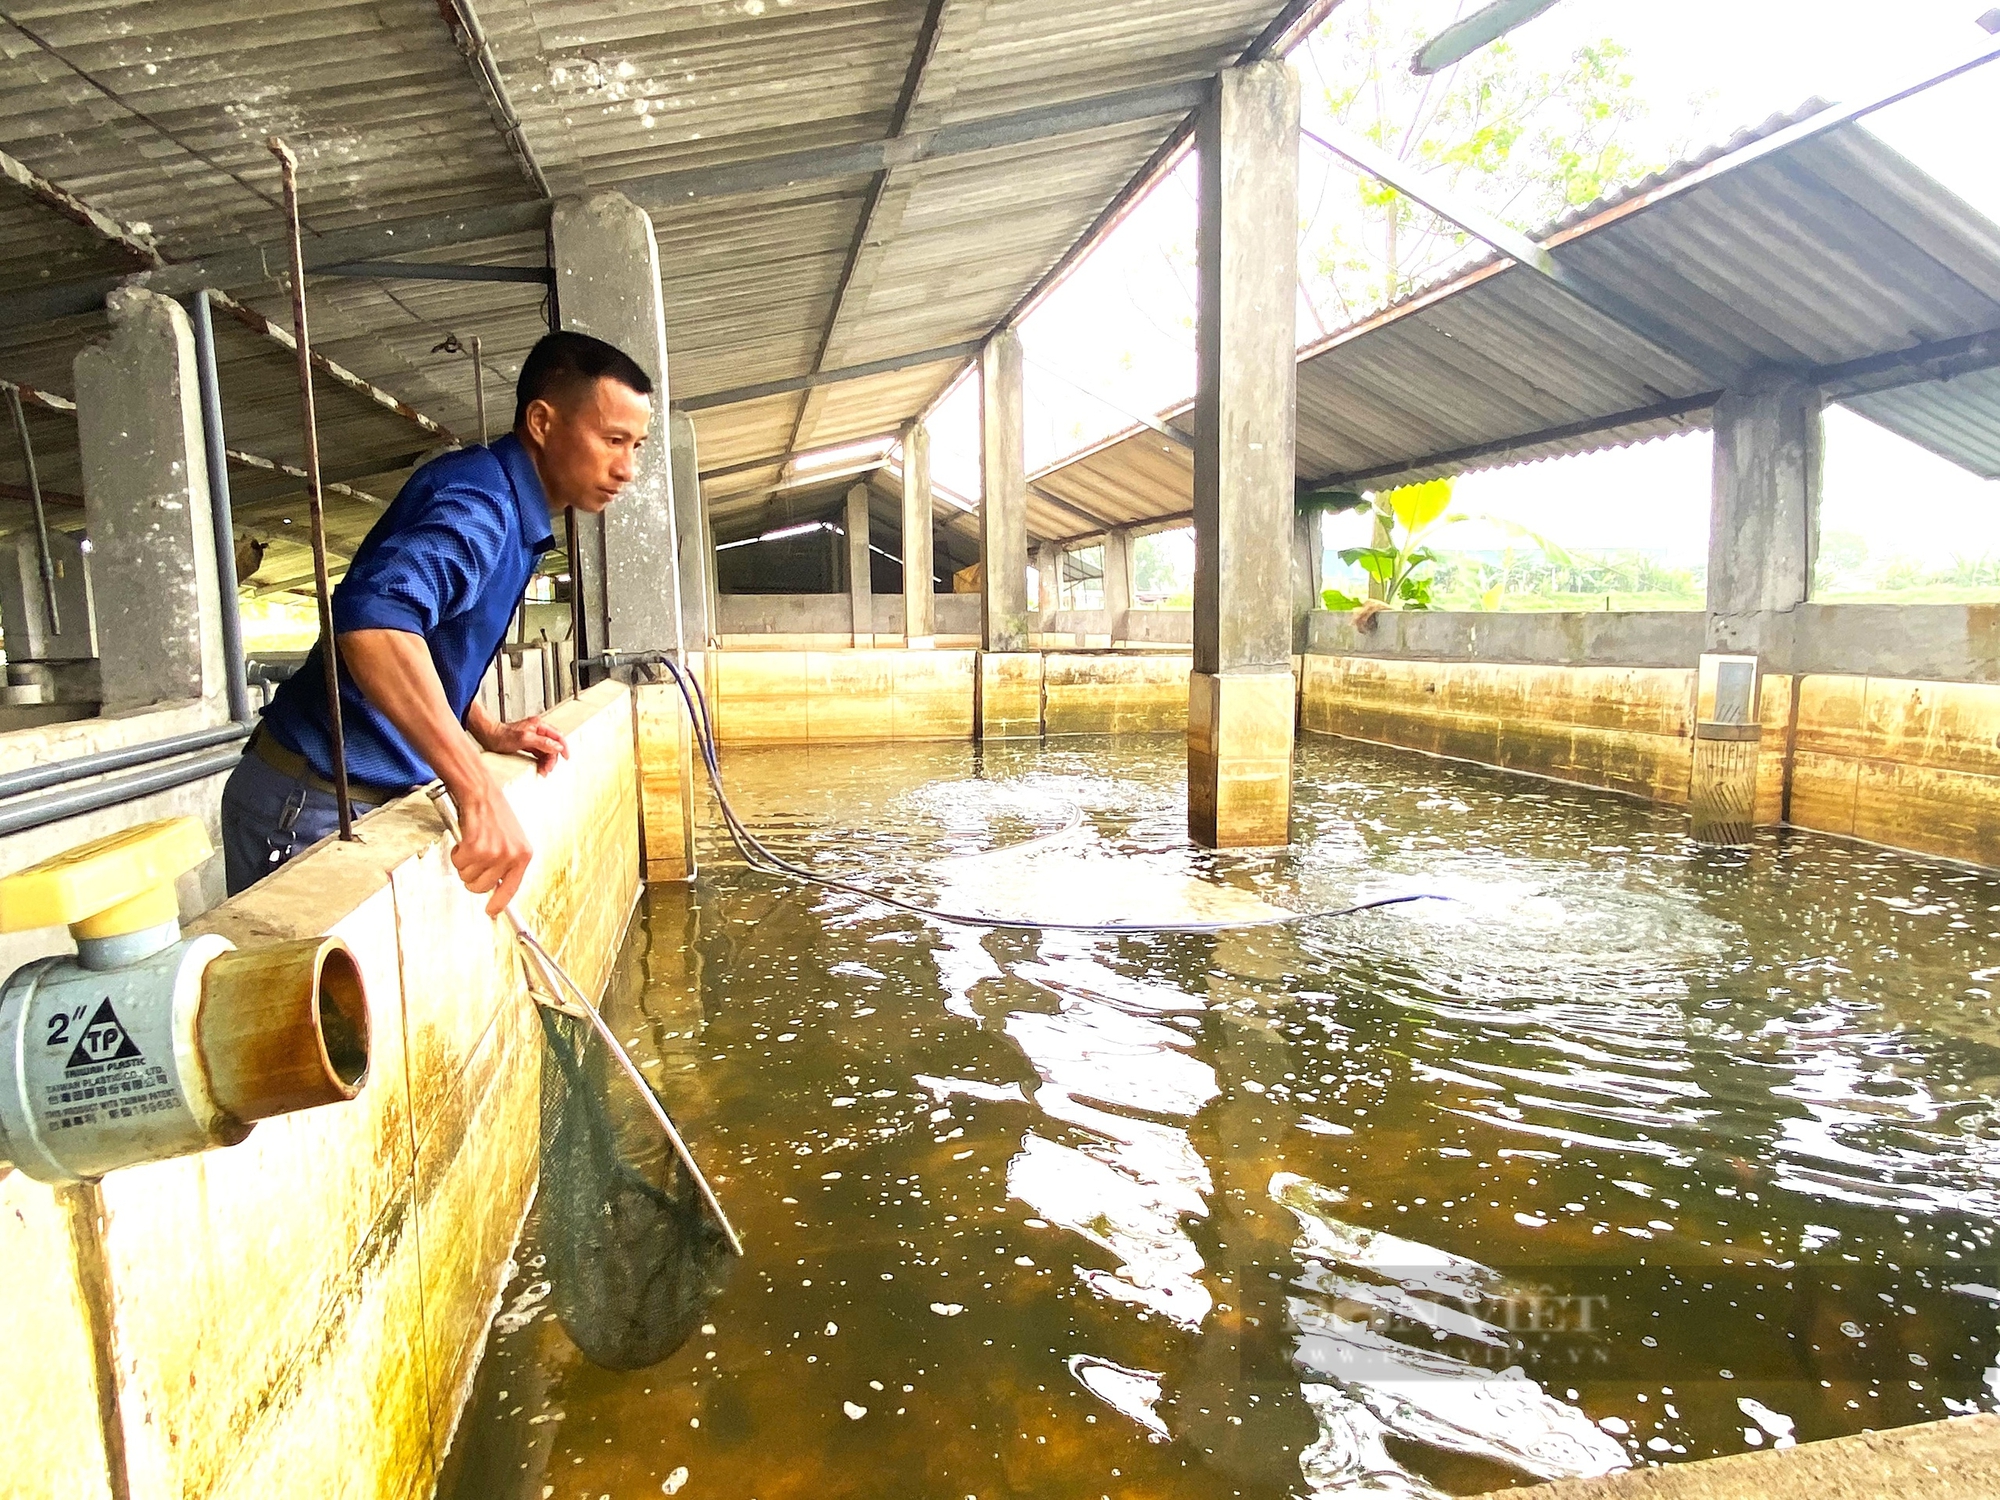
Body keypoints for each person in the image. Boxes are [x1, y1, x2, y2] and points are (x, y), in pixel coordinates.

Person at [221, 330, 653, 916]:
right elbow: (375, 622)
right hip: (310, 802)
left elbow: (426, 631)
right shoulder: (482, 506)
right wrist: (475, 786)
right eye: (612, 440)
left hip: (338, 794)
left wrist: (484, 728)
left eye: (637, 446)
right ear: (543, 422)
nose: (627, 468)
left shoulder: (502, 497)